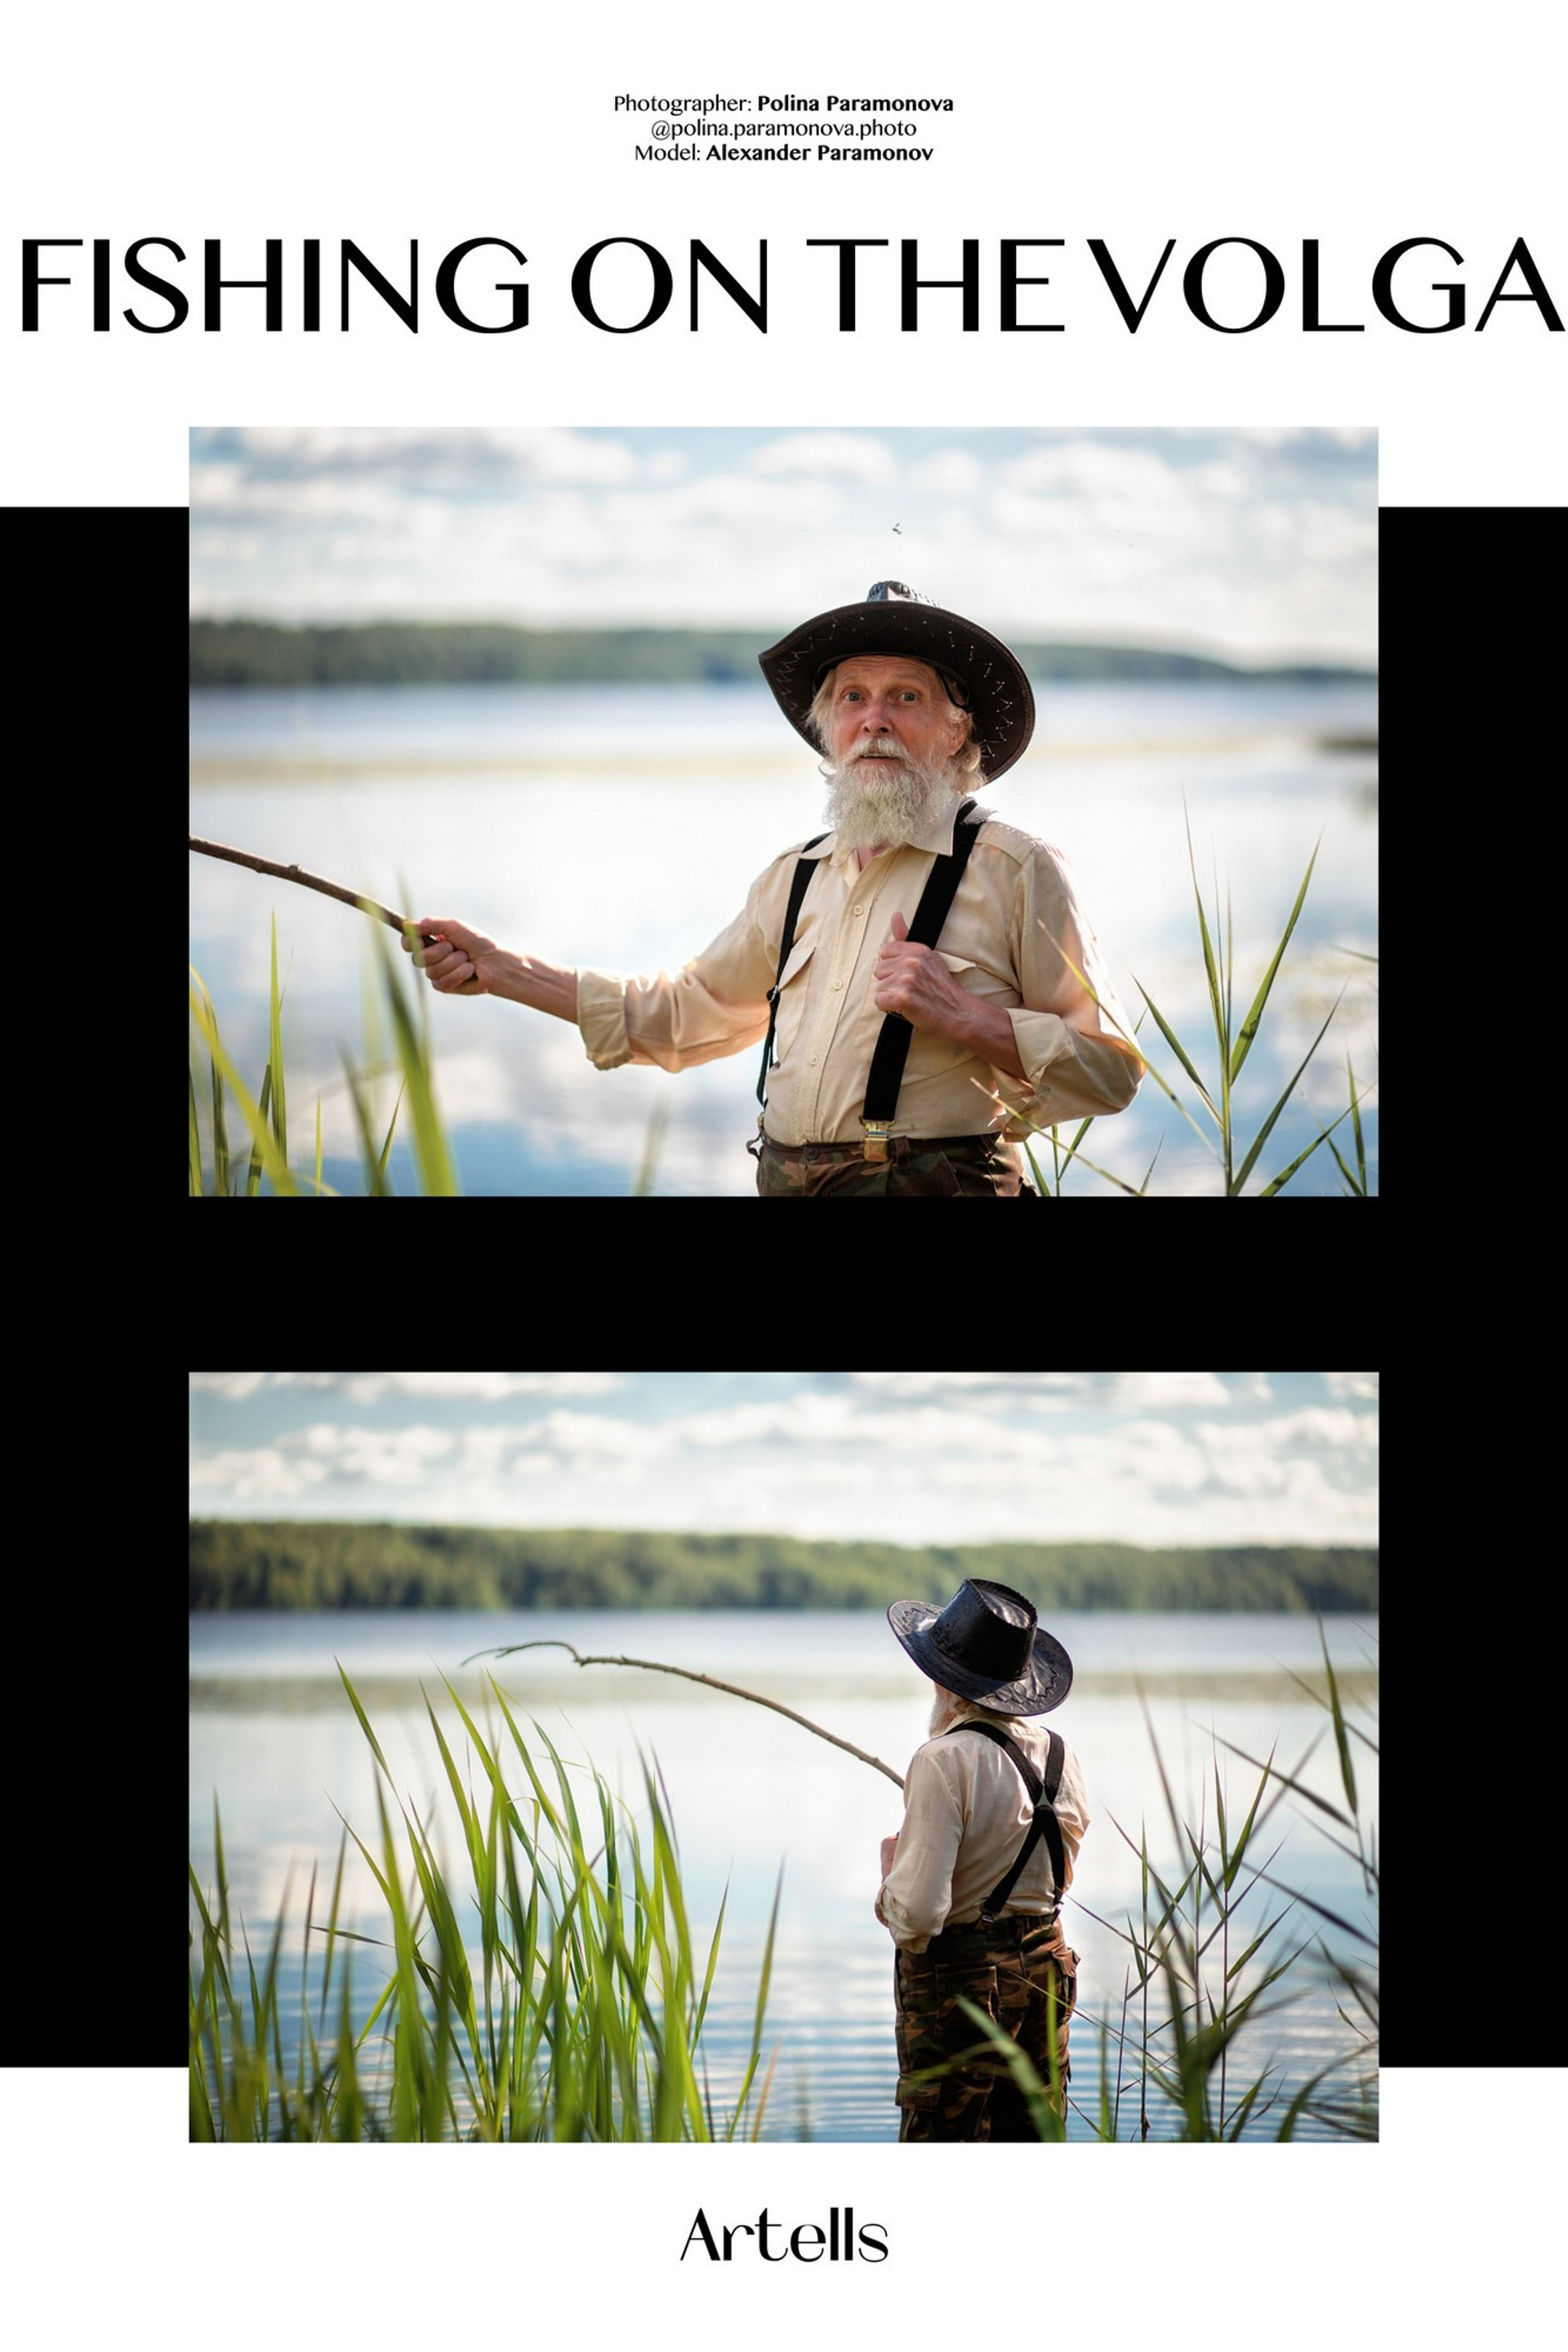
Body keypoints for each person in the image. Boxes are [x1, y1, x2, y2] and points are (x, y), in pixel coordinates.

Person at [402, 580, 1143, 1196]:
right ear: (829, 729)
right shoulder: (794, 877)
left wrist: (969, 1018)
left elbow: (1111, 1072)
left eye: (906, 697)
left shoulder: (1017, 868)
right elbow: (685, 1014)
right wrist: (504, 972)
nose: (874, 720)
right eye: (852, 697)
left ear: (956, 731)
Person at [875, 1576, 1089, 2141]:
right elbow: (1055, 1870)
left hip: (962, 1988)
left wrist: (890, 1878)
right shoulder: (1063, 1758)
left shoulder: (942, 1761)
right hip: (1048, 1972)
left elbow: (918, 1919)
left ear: (948, 1686)